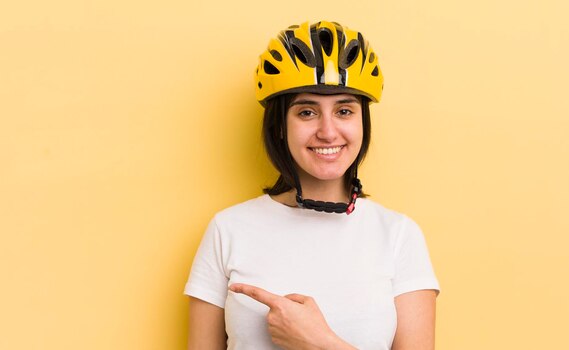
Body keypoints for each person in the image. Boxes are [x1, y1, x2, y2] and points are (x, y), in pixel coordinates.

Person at [185, 20, 440, 350]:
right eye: (307, 112)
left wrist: (320, 343)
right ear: (279, 126)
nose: (328, 132)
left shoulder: (398, 235)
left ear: (363, 121)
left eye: (344, 110)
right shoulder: (228, 229)